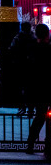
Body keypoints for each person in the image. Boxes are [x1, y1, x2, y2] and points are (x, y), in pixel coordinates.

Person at [25, 23, 51, 154]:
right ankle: (48, 145)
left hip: (37, 88)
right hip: (48, 86)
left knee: (39, 116)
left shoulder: (32, 49)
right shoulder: (49, 49)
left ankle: (30, 143)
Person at [10, 23, 37, 117]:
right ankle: (30, 108)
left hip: (19, 65)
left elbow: (12, 50)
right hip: (31, 66)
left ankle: (22, 107)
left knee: (20, 88)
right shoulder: (33, 38)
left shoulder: (17, 38)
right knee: (30, 88)